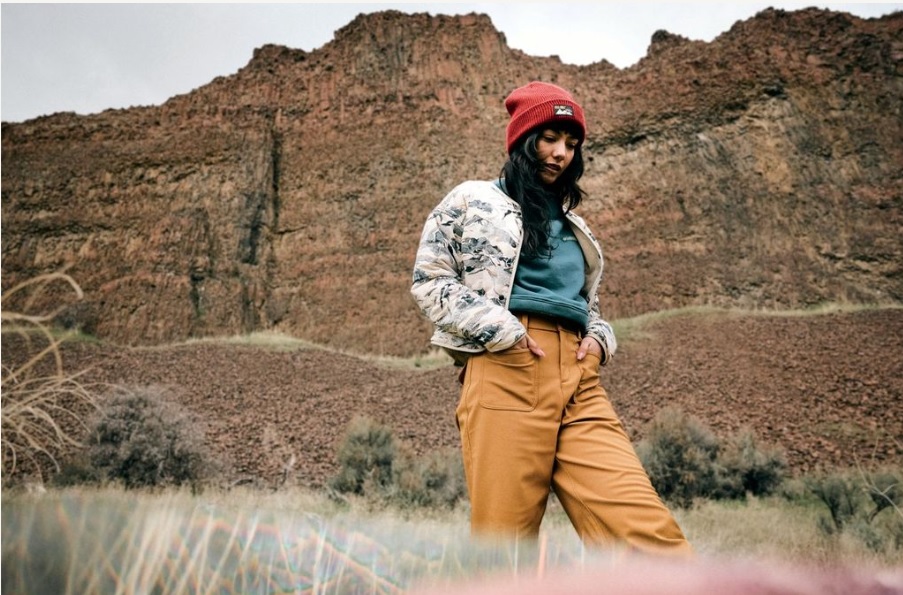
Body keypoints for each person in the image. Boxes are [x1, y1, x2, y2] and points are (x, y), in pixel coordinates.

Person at [411, 81, 692, 556]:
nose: (561, 153)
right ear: (524, 140)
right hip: (508, 371)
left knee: (648, 533)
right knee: (505, 554)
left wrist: (599, 338)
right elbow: (429, 281)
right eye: (550, 138)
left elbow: (583, 302)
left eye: (571, 143)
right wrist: (505, 332)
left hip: (580, 381)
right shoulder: (471, 200)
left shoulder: (574, 226)